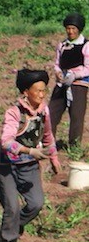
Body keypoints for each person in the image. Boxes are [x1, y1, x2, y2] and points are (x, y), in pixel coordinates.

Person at [0, 69, 61, 242]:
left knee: (36, 203)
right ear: (25, 92)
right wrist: (29, 151)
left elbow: (47, 135)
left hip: (28, 166)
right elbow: (6, 142)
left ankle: (13, 227)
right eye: (37, 90)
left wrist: (54, 157)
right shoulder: (14, 113)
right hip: (7, 166)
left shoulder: (44, 111)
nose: (41, 94)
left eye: (43, 90)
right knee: (12, 207)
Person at [49, 12, 87, 149]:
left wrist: (74, 75)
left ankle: (74, 147)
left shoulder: (85, 45)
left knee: (76, 116)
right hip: (62, 83)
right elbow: (57, 63)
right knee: (52, 112)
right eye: (68, 28)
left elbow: (87, 67)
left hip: (78, 85)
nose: (70, 31)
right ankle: (48, 143)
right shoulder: (63, 45)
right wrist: (58, 72)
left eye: (73, 29)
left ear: (79, 29)